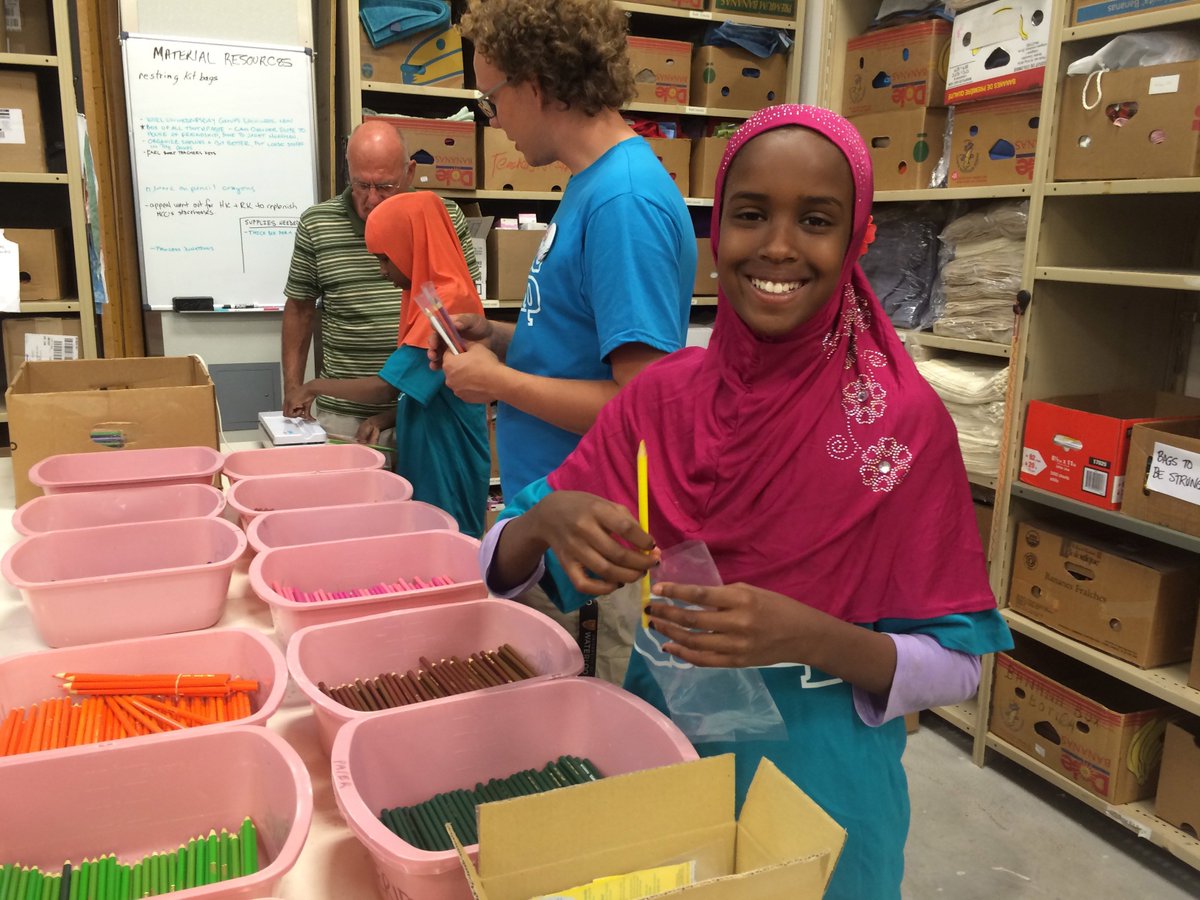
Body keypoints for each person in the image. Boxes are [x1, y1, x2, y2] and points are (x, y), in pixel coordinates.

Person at [479, 105, 1014, 899]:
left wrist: (811, 637)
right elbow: (500, 565)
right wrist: (538, 523)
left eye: (817, 220)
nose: (778, 247)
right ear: (716, 231)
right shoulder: (660, 401)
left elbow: (961, 666)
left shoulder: (900, 429)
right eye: (751, 214)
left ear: (857, 238)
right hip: (667, 778)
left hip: (826, 809)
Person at [433, 0, 697, 679]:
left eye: (491, 97)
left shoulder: (623, 203)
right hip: (566, 530)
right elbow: (581, 345)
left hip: (600, 551)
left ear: (537, 86)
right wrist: (499, 335)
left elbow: (639, 403)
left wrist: (501, 384)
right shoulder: (591, 188)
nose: (491, 117)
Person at [287, 192, 489, 537]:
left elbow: (386, 386)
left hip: (447, 458)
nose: (382, 271)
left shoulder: (448, 301)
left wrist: (311, 386)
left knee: (449, 542)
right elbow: (427, 384)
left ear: (413, 247)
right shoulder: (425, 294)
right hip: (428, 446)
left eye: (385, 258)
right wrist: (382, 418)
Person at [282, 120, 480, 444]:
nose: (372, 200)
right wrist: (294, 388)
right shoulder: (317, 224)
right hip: (347, 412)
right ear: (348, 172)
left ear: (410, 172)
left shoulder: (441, 218)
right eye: (361, 185)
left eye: (385, 186)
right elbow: (299, 310)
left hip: (424, 408)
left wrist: (313, 385)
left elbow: (464, 324)